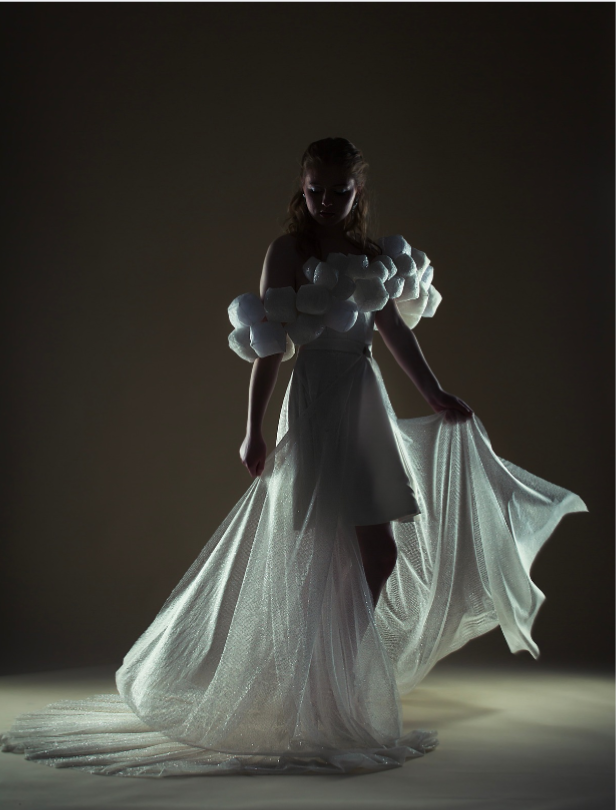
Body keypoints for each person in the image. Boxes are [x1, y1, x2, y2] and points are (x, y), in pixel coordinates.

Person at [1, 138, 587, 777]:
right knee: (317, 545)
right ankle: (318, 688)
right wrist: (251, 428)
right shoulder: (288, 251)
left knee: (378, 550)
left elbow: (393, 331)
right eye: (317, 190)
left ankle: (334, 681)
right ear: (301, 187)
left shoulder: (368, 257)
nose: (328, 201)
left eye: (341, 191)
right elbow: (269, 345)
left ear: (358, 191)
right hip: (315, 400)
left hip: (363, 397)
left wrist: (435, 392)